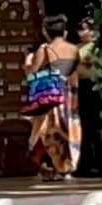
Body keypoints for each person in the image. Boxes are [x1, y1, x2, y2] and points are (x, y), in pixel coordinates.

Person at [23, 23, 84, 179]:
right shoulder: (74, 49)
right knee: (69, 128)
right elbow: (75, 70)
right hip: (70, 96)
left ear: (46, 33)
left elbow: (32, 73)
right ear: (64, 33)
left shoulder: (45, 50)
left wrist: (27, 63)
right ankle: (67, 166)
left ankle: (53, 168)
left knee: (51, 130)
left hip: (51, 94)